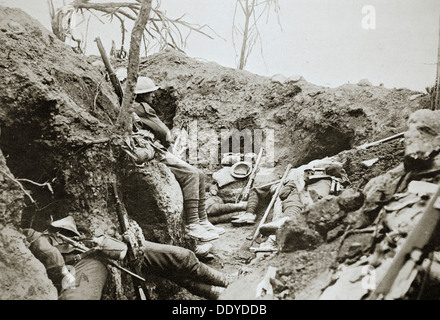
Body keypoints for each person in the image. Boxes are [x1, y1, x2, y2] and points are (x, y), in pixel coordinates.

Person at [24, 216, 231, 300]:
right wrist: (62, 273)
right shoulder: (31, 236)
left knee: (179, 259)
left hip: (110, 244)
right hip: (89, 261)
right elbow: (48, 253)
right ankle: (220, 290)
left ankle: (224, 284)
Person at [121, 74, 224, 242]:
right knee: (191, 174)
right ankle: (193, 223)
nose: (153, 96)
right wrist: (167, 139)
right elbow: (163, 132)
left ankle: (203, 221)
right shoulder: (142, 107)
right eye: (150, 93)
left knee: (200, 173)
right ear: (142, 95)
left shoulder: (135, 107)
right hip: (155, 151)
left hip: (154, 148)